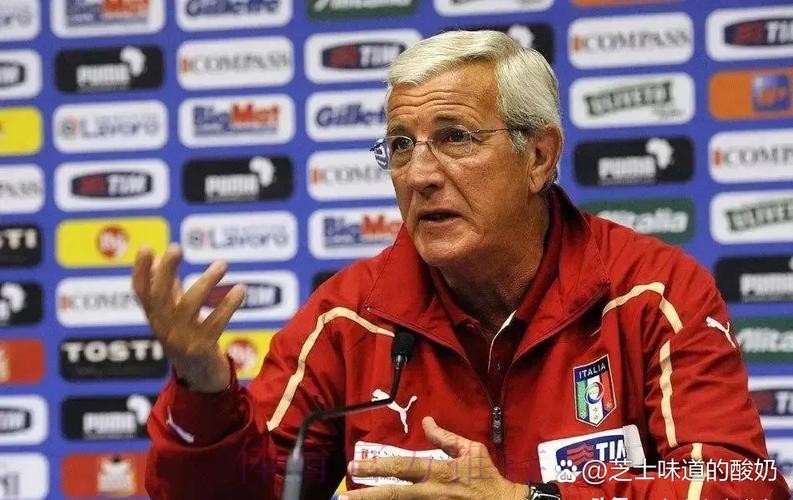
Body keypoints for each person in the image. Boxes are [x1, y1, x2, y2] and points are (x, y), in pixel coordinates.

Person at [135, 30, 789, 499]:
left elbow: (734, 481)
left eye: (454, 137)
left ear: (538, 157)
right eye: (400, 145)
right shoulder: (348, 318)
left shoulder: (651, 294)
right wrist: (203, 391)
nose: (419, 174)